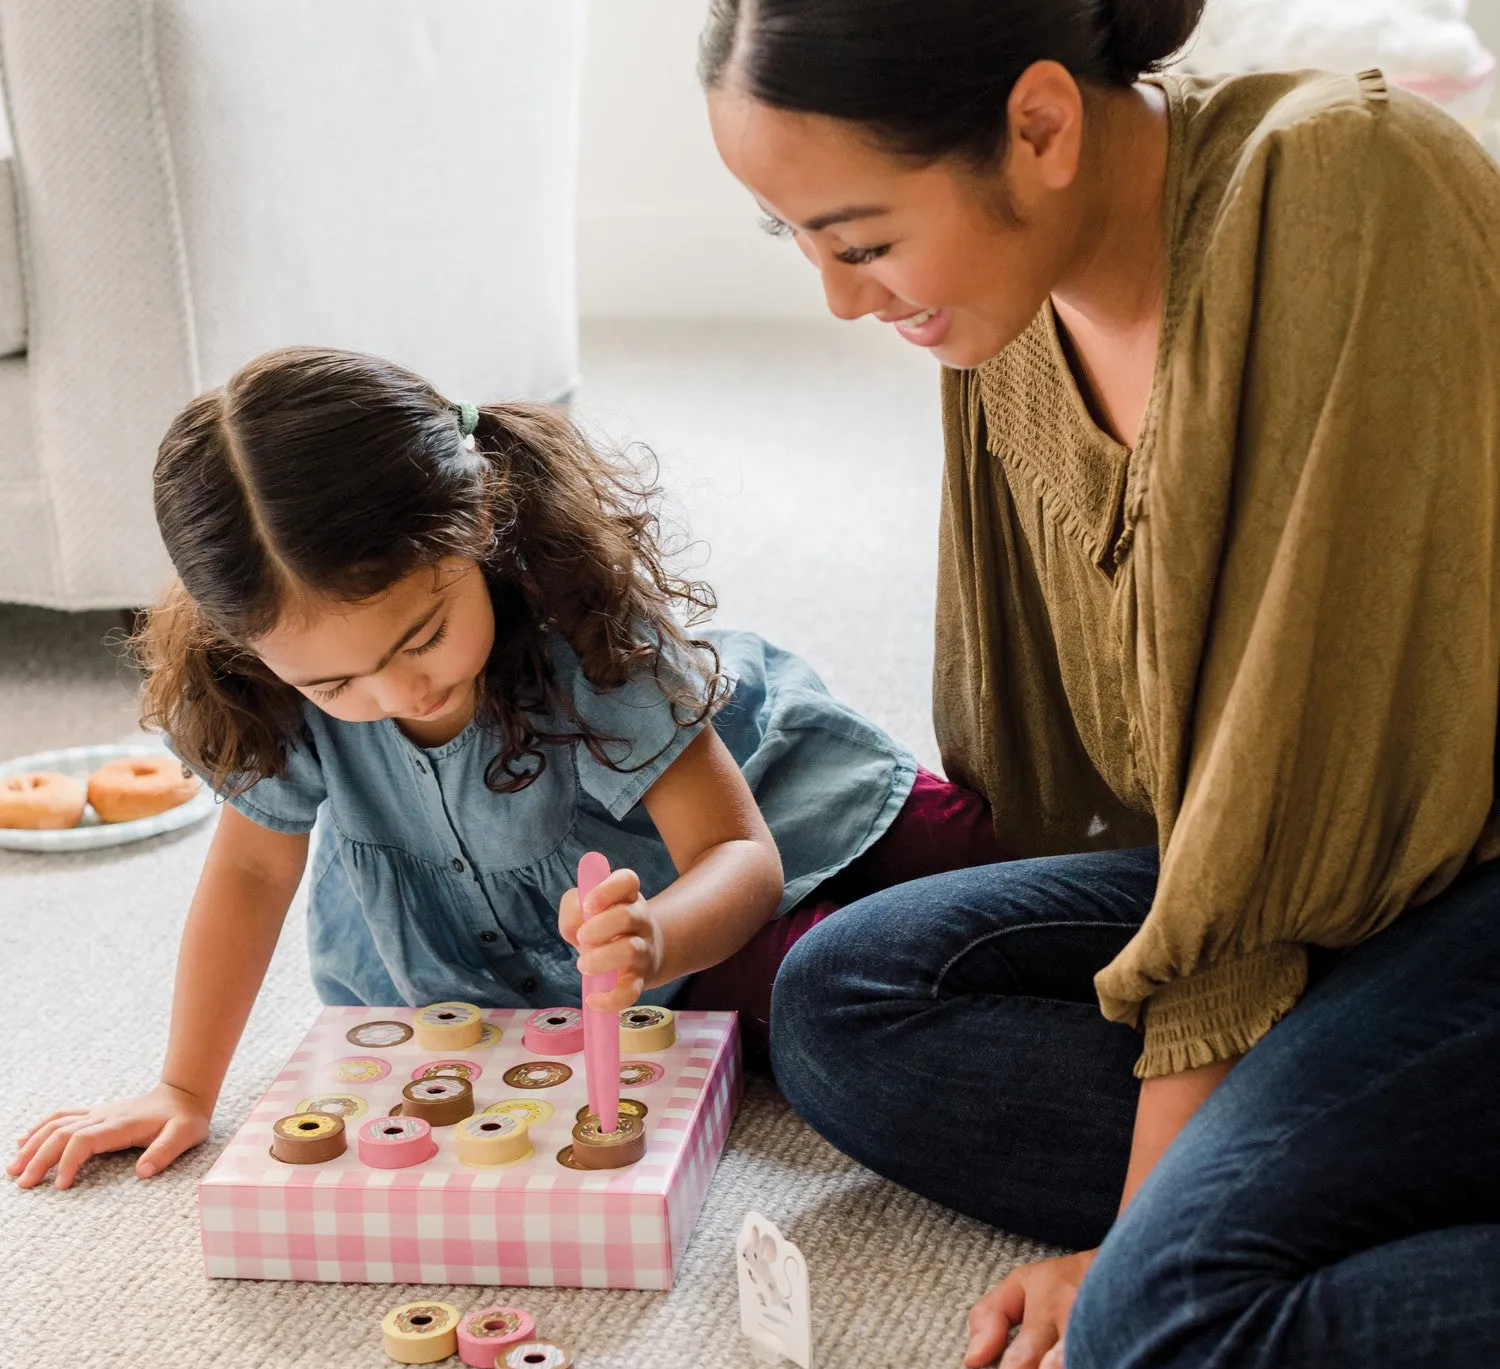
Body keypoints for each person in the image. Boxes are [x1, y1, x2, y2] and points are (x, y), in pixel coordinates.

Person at [703, 1, 1500, 1369]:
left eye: (863, 239)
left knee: (1169, 1359)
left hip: (1455, 860)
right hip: (1340, 890)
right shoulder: (1018, 301)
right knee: (846, 999)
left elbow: (1283, 796)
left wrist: (1139, 1230)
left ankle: (1264, 1211)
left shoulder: (1341, 185)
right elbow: (1138, 795)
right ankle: (1340, 1168)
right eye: (790, 239)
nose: (838, 300)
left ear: (1042, 126)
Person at [8, 346, 1000, 1193]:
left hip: (750, 812)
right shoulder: (265, 692)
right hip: (620, 962)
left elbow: (741, 852)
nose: (395, 693)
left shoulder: (587, 629)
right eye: (335, 682)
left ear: (476, 525)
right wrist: (184, 1087)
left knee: (983, 864)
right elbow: (251, 873)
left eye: (421, 637)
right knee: (848, 1000)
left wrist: (657, 932)